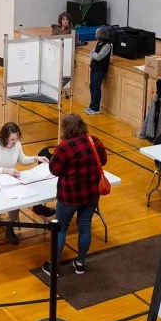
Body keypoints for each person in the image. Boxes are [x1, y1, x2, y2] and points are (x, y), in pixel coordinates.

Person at [42, 113, 106, 275]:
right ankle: (80, 263)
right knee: (85, 227)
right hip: (91, 194)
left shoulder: (65, 147)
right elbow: (103, 161)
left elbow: (54, 170)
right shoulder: (95, 141)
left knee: (61, 229)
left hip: (69, 197)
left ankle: (54, 267)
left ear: (66, 129)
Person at [0, 122, 48, 244]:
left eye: (16, 139)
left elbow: (21, 159)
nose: (14, 142)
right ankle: (11, 223)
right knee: (11, 196)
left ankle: (10, 226)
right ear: (4, 137)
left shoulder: (16, 144)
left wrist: (35, 158)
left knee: (17, 196)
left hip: (6, 178)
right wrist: (7, 170)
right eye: (12, 139)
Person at [85, 27, 112, 116]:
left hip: (100, 69)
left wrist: (93, 54)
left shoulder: (108, 45)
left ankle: (96, 108)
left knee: (96, 87)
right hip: (94, 67)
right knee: (92, 86)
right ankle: (92, 105)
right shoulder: (98, 43)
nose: (95, 35)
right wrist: (93, 54)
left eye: (97, 33)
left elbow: (98, 57)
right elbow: (91, 53)